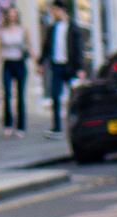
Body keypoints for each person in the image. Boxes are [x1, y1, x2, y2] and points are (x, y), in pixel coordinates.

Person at [41, 2, 86, 131]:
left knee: (74, 96)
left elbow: (78, 49)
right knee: (55, 95)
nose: (53, 14)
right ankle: (56, 126)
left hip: (70, 66)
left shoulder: (73, 28)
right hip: (56, 65)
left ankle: (76, 123)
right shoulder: (52, 28)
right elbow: (47, 47)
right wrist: (41, 62)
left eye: (55, 11)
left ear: (62, 10)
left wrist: (80, 68)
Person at [0, 3, 33, 134]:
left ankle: (21, 126)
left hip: (20, 63)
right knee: (7, 94)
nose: (12, 16)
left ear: (17, 16)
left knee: (21, 95)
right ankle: (8, 124)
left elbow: (30, 46)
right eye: (10, 14)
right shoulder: (3, 30)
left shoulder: (23, 29)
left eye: (14, 14)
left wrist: (35, 61)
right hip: (7, 63)